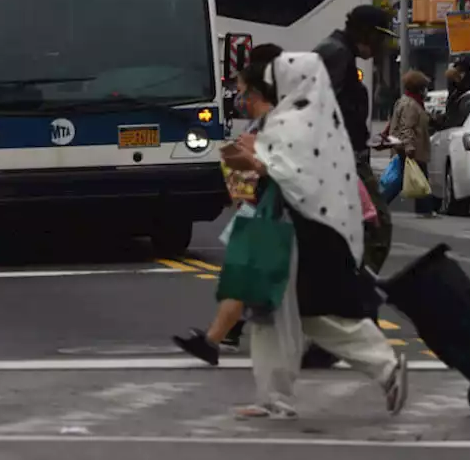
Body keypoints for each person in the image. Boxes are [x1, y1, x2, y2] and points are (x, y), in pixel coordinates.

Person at [220, 49, 408, 419]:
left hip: (293, 229)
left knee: (274, 312)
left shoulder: (294, 120)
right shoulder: (314, 116)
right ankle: (382, 368)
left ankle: (276, 396)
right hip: (308, 228)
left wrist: (249, 161)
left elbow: (287, 173)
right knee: (305, 314)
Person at [173, 43, 283, 363]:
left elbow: (271, 164)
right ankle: (218, 337)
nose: (238, 95)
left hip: (270, 208)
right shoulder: (265, 117)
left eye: (242, 88)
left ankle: (222, 337)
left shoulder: (276, 119)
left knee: (257, 277)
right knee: (243, 274)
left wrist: (245, 158)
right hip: (257, 206)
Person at [314, 5, 396, 273]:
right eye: (380, 37)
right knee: (377, 226)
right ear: (366, 33)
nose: (382, 45)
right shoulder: (337, 54)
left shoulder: (338, 51)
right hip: (343, 160)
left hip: (344, 156)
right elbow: (323, 108)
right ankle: (358, 285)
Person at [390, 70, 436, 217]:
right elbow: (407, 127)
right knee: (417, 177)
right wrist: (409, 147)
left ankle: (424, 209)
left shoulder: (413, 102)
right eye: (424, 87)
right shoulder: (410, 104)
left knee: (410, 177)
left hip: (410, 147)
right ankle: (425, 209)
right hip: (411, 148)